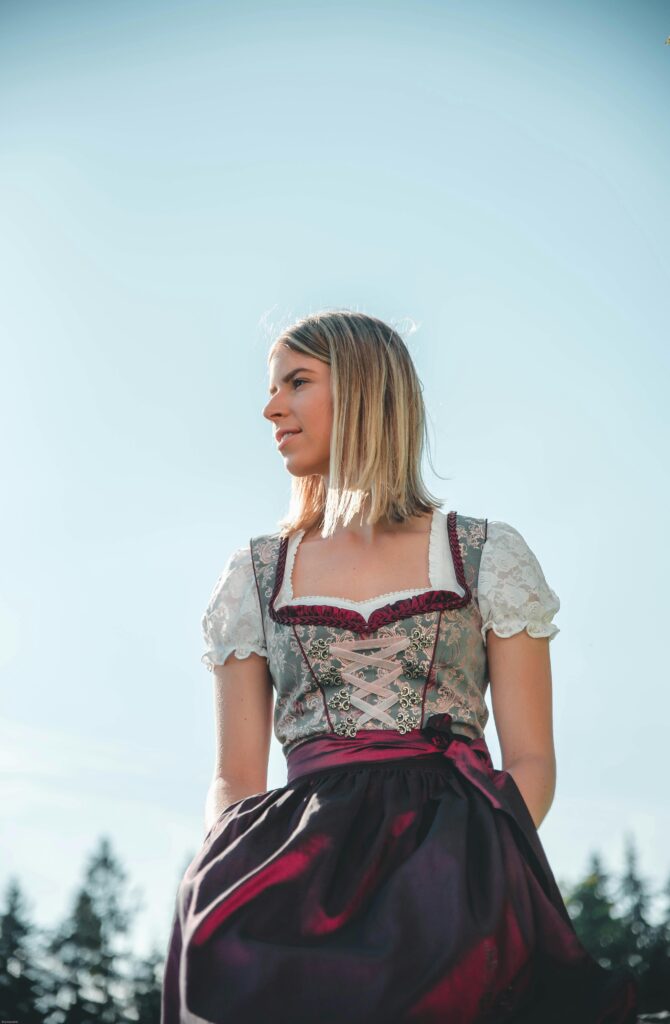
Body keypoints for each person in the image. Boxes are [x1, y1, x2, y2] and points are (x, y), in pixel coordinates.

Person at [161, 310, 639, 1023]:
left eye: (296, 382)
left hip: (457, 877)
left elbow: (532, 758)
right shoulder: (256, 574)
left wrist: (478, 868)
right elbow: (234, 775)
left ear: (362, 390)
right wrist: (230, 867)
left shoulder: (485, 555)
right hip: (293, 878)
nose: (270, 408)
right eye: (272, 387)